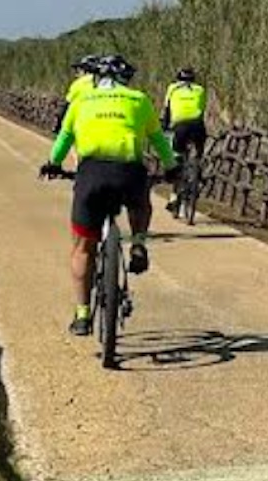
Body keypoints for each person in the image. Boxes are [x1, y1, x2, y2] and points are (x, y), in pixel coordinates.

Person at [39, 55, 177, 336]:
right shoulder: (139, 100)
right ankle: (138, 243)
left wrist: (53, 163)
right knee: (142, 202)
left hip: (91, 174)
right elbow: (159, 140)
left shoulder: (81, 101)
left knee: (82, 248)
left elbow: (64, 138)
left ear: (96, 79)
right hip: (129, 172)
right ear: (125, 79)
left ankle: (82, 314)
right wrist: (173, 167)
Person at [161, 67, 208, 214]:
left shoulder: (172, 88)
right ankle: (198, 175)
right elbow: (201, 109)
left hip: (179, 127)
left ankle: (174, 195)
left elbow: (167, 109)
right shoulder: (200, 90)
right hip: (197, 127)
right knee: (199, 153)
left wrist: (165, 125)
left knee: (177, 156)